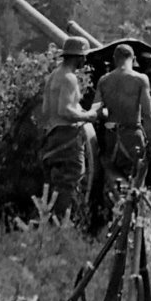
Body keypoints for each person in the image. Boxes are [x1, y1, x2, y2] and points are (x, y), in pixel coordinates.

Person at [40, 36, 100, 219]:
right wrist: (88, 116)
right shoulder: (70, 78)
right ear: (78, 57)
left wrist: (79, 110)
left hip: (52, 136)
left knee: (55, 184)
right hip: (68, 136)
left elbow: (46, 110)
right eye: (83, 56)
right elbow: (65, 110)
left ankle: (50, 222)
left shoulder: (54, 76)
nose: (85, 60)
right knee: (70, 182)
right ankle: (63, 225)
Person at [93, 44, 151, 190]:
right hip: (133, 138)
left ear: (114, 59)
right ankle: (133, 210)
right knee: (135, 188)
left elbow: (96, 110)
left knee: (113, 180)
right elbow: (148, 114)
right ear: (134, 60)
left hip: (112, 138)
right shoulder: (140, 79)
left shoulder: (104, 80)